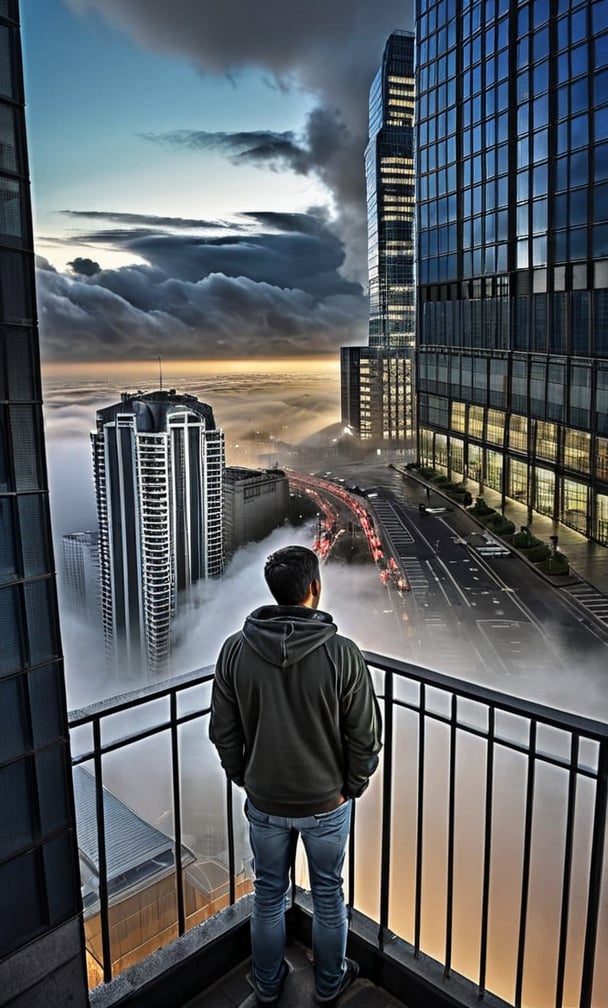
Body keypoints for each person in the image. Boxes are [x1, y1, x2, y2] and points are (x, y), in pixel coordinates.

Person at [209, 545, 382, 1006]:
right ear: (315, 590)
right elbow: (364, 739)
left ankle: (267, 986)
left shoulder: (234, 651)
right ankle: (329, 985)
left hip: (264, 801)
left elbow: (222, 732)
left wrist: (244, 776)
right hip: (327, 803)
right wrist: (352, 786)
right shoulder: (343, 655)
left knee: (267, 895)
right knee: (328, 895)